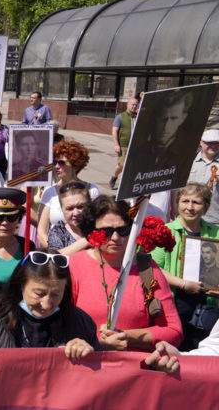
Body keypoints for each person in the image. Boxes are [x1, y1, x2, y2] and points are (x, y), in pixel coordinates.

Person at [71, 196, 183, 351]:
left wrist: (128, 337)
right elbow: (57, 324)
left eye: (123, 230)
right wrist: (97, 344)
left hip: (134, 369)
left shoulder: (146, 268)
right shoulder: (74, 266)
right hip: (87, 366)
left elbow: (173, 330)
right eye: (106, 231)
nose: (115, 238)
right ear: (90, 231)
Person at [0, 251, 99, 359]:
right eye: (39, 294)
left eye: (55, 295)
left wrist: (88, 356)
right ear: (21, 285)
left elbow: (95, 380)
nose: (46, 305)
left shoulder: (80, 322)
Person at [151, 183, 219, 350]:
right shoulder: (165, 231)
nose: (190, 207)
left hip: (208, 304)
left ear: (206, 206)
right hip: (175, 302)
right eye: (185, 201)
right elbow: (154, 268)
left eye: (196, 202)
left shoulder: (216, 233)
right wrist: (182, 284)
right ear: (177, 203)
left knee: (202, 350)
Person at [37, 141, 100, 248]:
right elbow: (42, 232)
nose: (56, 166)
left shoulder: (91, 191)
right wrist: (57, 252)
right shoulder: (50, 192)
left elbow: (98, 226)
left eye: (61, 163)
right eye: (55, 162)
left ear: (75, 166)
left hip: (84, 250)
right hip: (55, 251)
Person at [47, 181, 91, 255]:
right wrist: (90, 239)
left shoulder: (100, 226)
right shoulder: (58, 232)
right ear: (62, 209)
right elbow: (55, 258)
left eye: (80, 207)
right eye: (70, 208)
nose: (76, 213)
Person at [188, 129, 219, 227]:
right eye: (209, 143)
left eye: (217, 143)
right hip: (188, 217)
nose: (213, 146)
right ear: (201, 142)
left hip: (214, 220)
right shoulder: (188, 161)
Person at [109, 96, 139, 189]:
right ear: (128, 105)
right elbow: (114, 131)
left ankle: (127, 185)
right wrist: (116, 145)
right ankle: (114, 176)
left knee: (132, 166)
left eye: (136, 105)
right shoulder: (120, 117)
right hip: (123, 146)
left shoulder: (137, 116)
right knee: (122, 165)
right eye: (132, 104)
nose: (134, 106)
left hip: (134, 146)